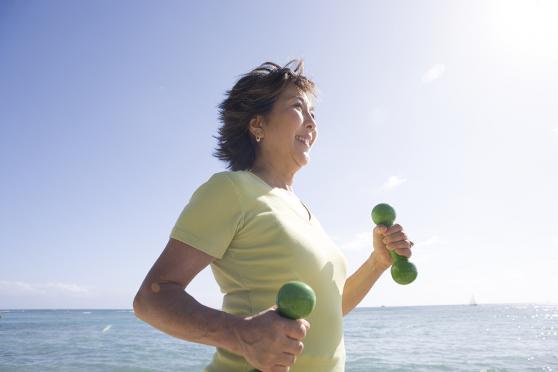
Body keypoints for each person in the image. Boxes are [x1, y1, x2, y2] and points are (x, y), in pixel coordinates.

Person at [133, 60, 414, 372]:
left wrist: (377, 263)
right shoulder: (230, 190)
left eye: (313, 114)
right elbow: (151, 299)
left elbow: (329, 310)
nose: (311, 123)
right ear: (258, 125)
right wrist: (241, 335)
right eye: (297, 107)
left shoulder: (302, 210)